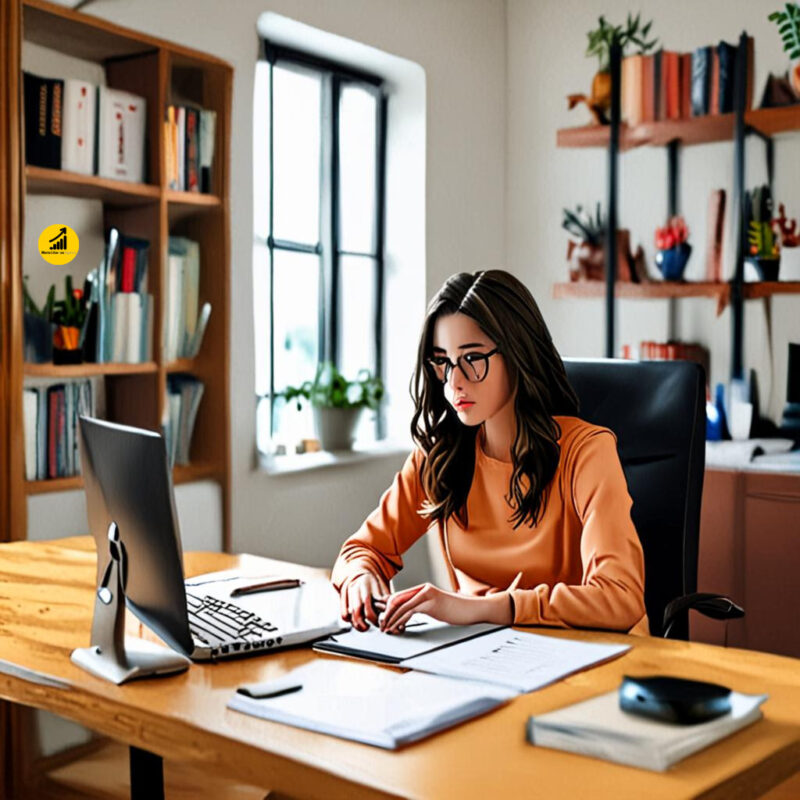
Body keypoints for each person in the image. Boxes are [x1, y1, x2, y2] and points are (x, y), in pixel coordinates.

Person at [331, 269, 648, 636]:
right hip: (485, 654)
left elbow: (621, 598)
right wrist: (360, 579)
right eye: (443, 361)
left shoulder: (586, 452)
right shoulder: (440, 456)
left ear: (517, 354)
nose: (454, 382)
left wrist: (487, 607)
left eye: (472, 358)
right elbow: (361, 550)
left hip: (592, 656)